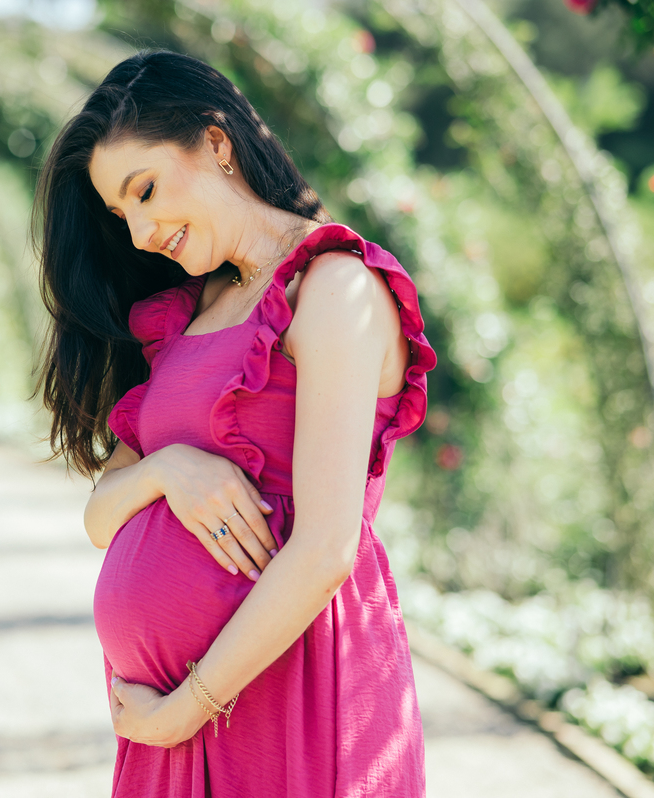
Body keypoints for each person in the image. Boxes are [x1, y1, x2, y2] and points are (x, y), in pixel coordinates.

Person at [32, 50, 435, 796]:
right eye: (123, 216)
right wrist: (167, 470)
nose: (143, 231)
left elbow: (323, 552)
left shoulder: (336, 288)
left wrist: (189, 706)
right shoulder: (186, 317)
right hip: (171, 723)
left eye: (146, 190)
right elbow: (99, 516)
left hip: (288, 694)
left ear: (216, 144)